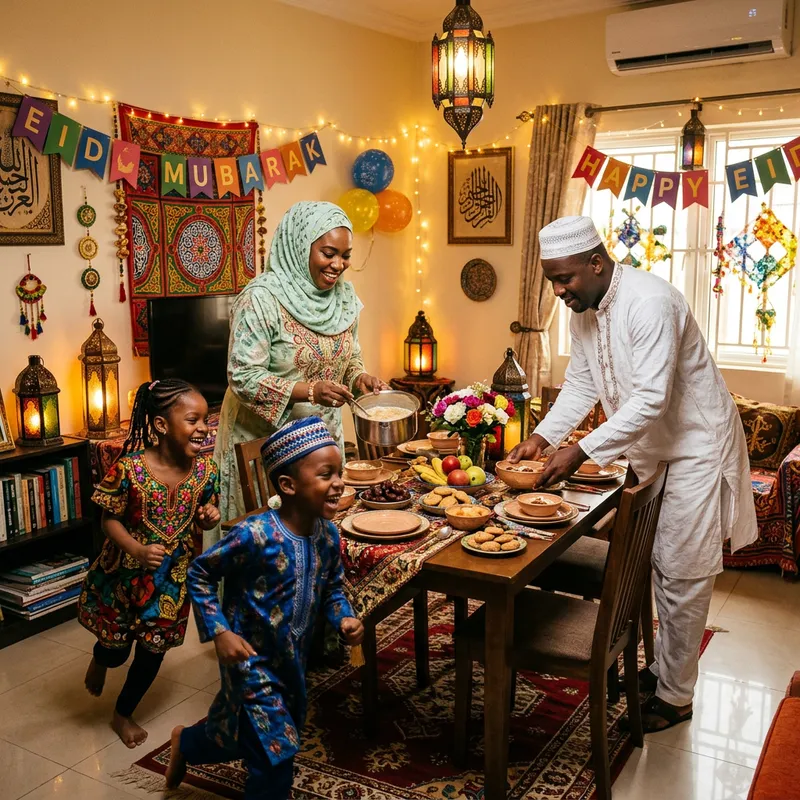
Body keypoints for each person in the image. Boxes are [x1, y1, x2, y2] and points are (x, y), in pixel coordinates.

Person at [509, 215, 757, 733]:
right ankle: (662, 672)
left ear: (596, 263)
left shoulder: (649, 301)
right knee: (658, 564)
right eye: (551, 280)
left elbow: (651, 397)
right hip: (652, 451)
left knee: (682, 571)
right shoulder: (583, 313)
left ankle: (676, 696)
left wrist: (580, 454)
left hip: (695, 446)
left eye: (565, 279)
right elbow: (580, 384)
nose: (558, 291)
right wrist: (544, 437)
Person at [165, 416, 364, 799]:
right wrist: (220, 632)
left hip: (292, 662)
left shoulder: (328, 536)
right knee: (274, 757)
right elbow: (200, 573)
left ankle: (186, 743)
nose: (339, 482)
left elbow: (333, 588)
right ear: (288, 486)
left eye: (339, 471)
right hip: (248, 661)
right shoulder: (253, 535)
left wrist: (345, 619)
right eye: (326, 474)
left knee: (237, 735)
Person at [213, 200, 387, 543]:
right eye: (328, 253)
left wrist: (358, 377)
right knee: (271, 557)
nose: (339, 265)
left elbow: (349, 358)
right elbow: (243, 376)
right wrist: (309, 391)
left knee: (319, 547)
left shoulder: (344, 298)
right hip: (264, 451)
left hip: (321, 444)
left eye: (346, 255)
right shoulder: (261, 299)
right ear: (298, 247)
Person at [79, 379, 221, 747]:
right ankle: (101, 659)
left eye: (205, 420)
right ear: (160, 425)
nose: (203, 428)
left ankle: (123, 712)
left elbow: (209, 506)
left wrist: (208, 515)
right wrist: (138, 550)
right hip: (122, 577)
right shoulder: (128, 469)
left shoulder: (205, 470)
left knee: (153, 650)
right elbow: (107, 519)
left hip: (171, 582)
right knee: (116, 649)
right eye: (193, 420)